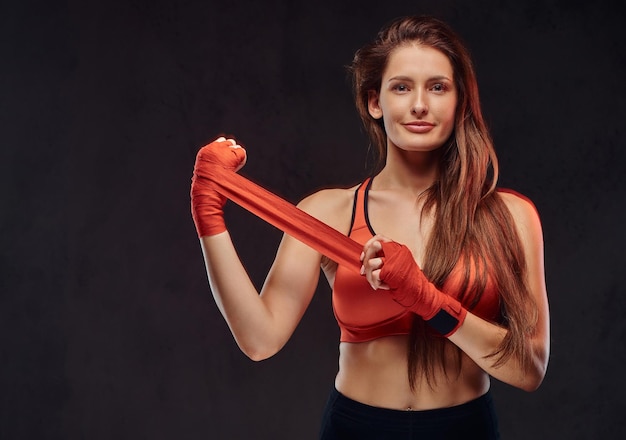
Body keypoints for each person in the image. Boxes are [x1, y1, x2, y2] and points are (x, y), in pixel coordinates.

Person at [190, 15, 549, 439]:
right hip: (355, 428)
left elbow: (530, 369)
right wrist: (209, 219)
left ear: (459, 102)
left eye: (437, 87)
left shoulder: (509, 215)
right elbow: (259, 339)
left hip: (464, 428)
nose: (420, 104)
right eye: (402, 87)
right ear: (375, 102)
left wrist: (427, 298)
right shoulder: (329, 212)